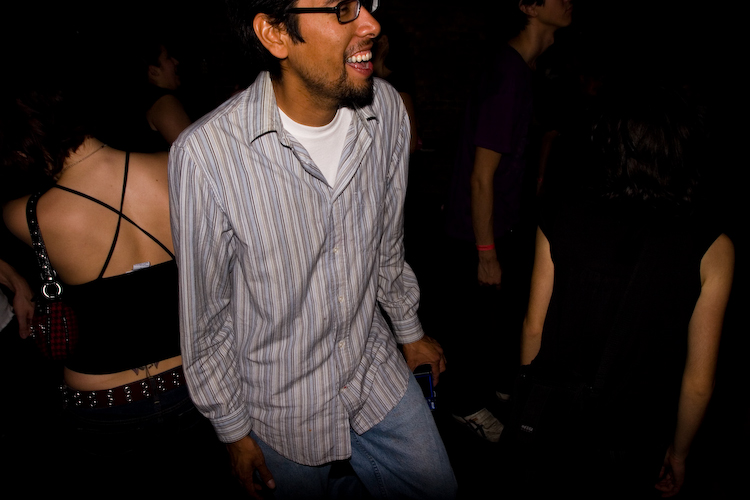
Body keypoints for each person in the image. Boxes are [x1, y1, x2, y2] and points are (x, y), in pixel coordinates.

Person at [169, 1, 456, 498]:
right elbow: (205, 316)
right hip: (281, 406)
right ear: (276, 34)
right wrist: (232, 430)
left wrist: (408, 330)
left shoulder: (387, 110)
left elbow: (387, 242)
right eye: (342, 8)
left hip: (372, 369)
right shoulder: (206, 155)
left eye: (366, 3)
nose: (371, 24)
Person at [0, 43, 238, 498]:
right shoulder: (176, 167)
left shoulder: (23, 214)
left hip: (101, 403)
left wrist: (14, 278)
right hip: (195, 386)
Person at [512, 82, 734, 498]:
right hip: (633, 434)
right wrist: (679, 452)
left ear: (611, 143)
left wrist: (528, 404)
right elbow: (698, 381)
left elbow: (534, 327)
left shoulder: (561, 214)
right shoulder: (712, 248)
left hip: (557, 419)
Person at [440, 0, 573, 442]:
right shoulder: (508, 73)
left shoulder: (521, 68)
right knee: (472, 328)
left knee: (495, 324)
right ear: (529, 6)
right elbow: (482, 176)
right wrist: (486, 252)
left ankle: (490, 388)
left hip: (500, 225)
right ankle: (463, 405)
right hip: (475, 232)